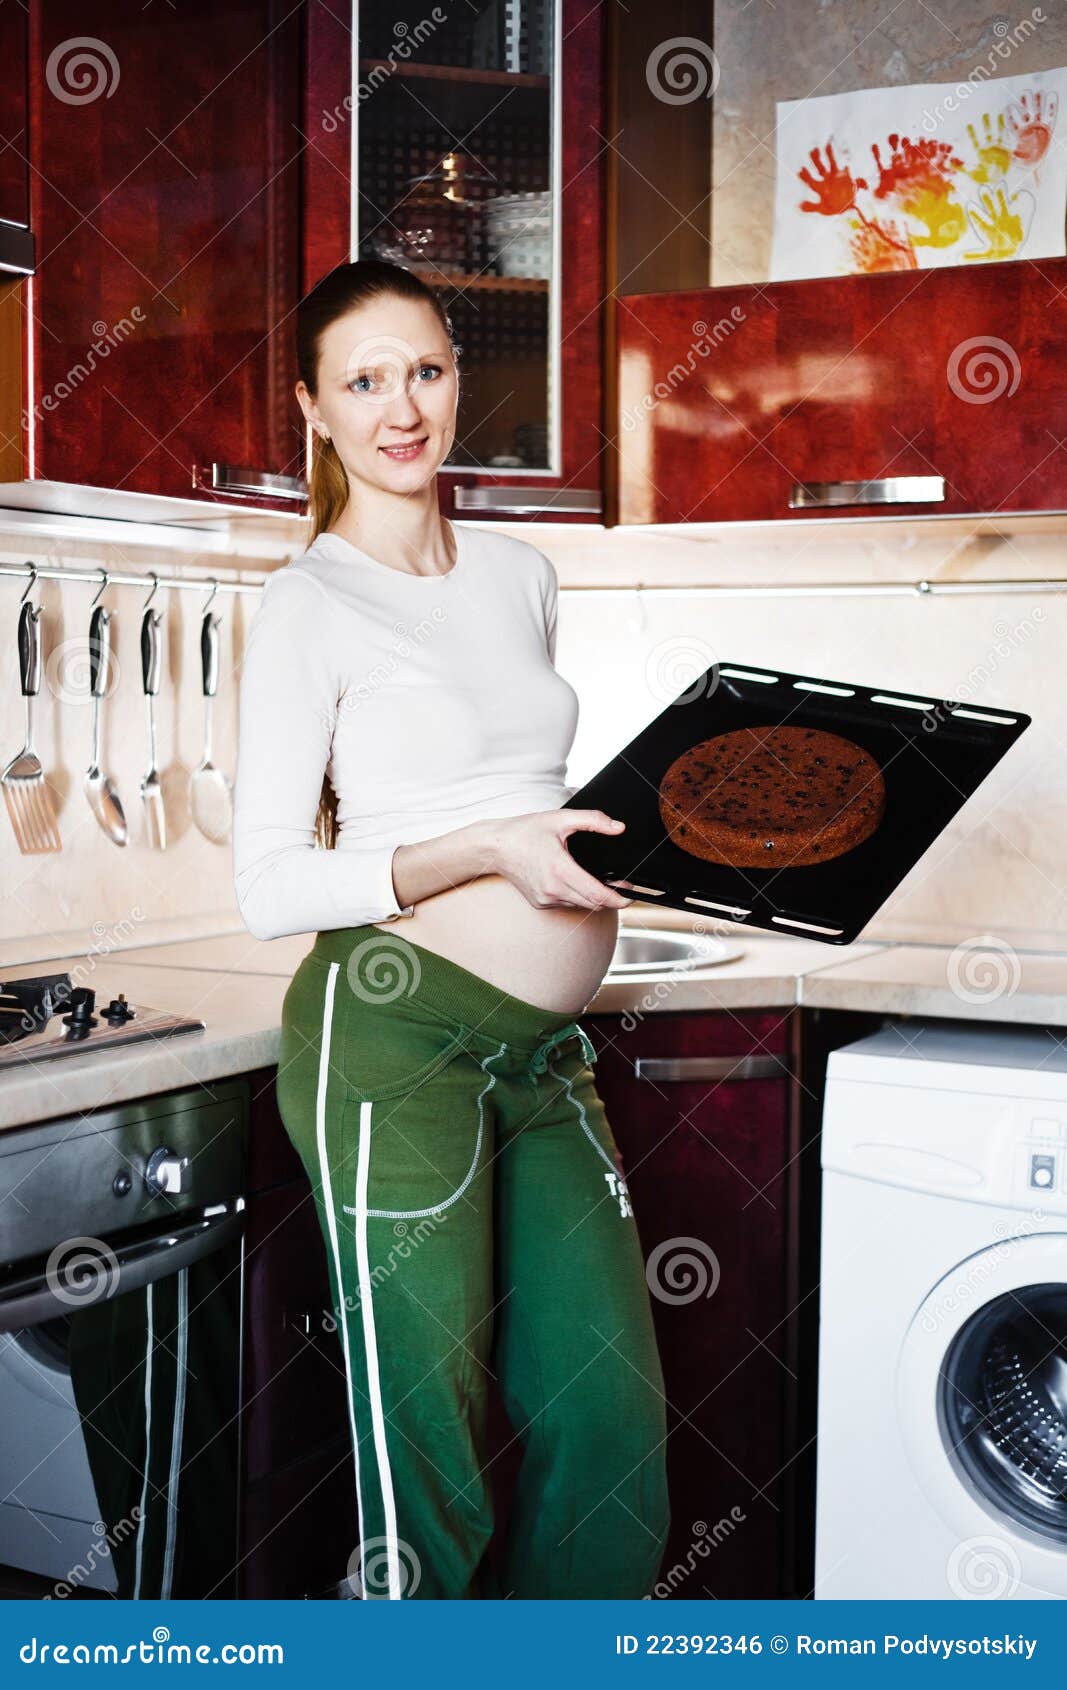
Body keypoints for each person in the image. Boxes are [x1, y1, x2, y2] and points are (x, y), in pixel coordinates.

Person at [232, 260, 670, 1600]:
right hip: (392, 1040)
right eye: (363, 380)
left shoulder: (523, 574)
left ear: (458, 377)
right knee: (425, 1467)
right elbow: (267, 883)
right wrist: (485, 852)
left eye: (423, 369)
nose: (400, 405)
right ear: (315, 408)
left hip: (542, 1058)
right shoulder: (309, 603)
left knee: (608, 1428)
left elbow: (516, 788)